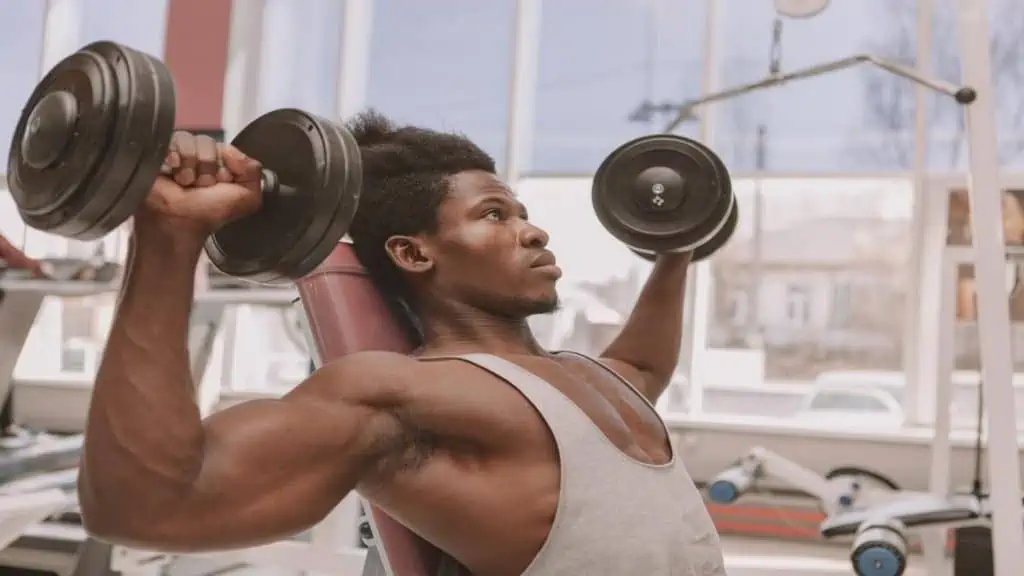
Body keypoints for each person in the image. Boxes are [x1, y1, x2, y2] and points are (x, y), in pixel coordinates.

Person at [78, 111, 726, 575]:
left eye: (523, 214)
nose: (533, 233)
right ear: (412, 252)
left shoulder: (592, 376)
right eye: (494, 215)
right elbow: (143, 507)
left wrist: (676, 251)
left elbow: (641, 364)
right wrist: (169, 238)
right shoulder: (402, 393)